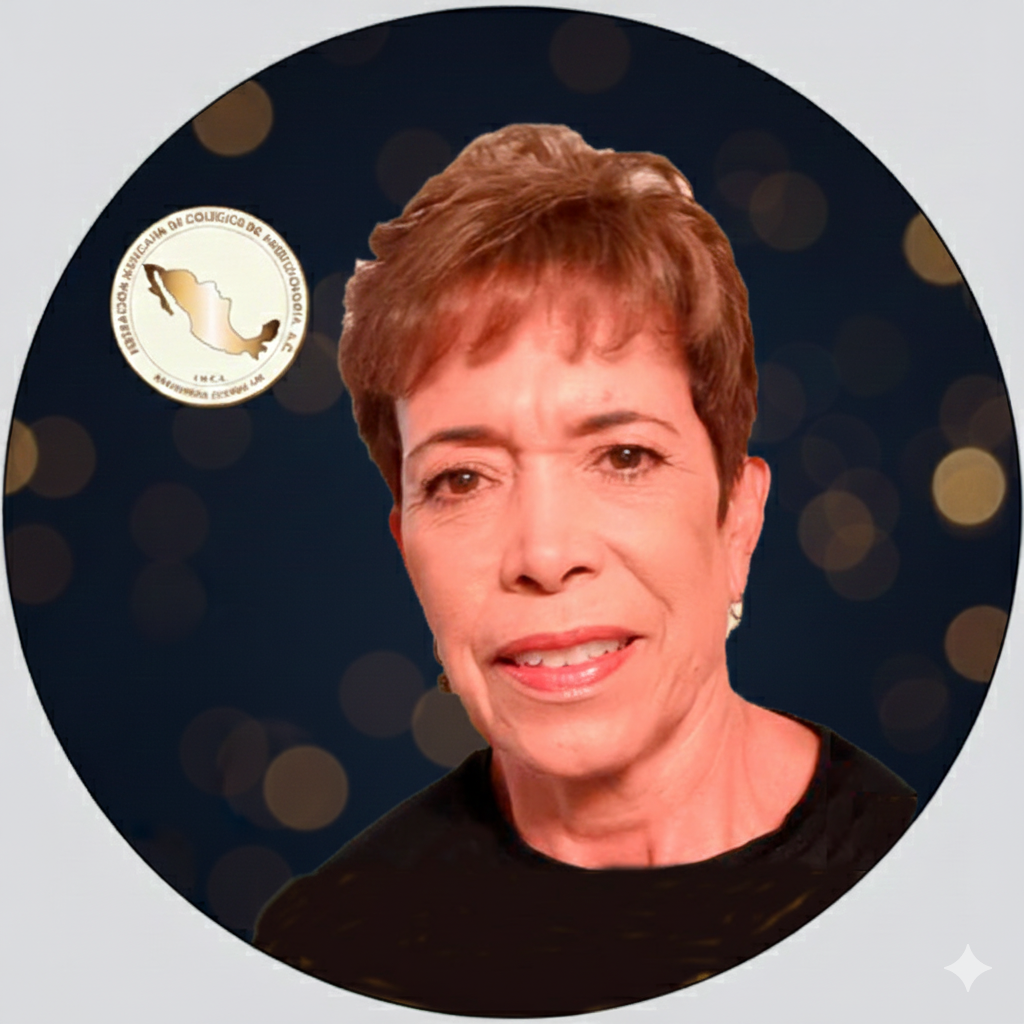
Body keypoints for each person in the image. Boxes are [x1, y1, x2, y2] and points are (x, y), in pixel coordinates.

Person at [254, 124, 915, 1016]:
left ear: (738, 520)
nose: (544, 554)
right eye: (461, 479)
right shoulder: (325, 956)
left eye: (624, 457)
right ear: (408, 550)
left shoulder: (939, 896)